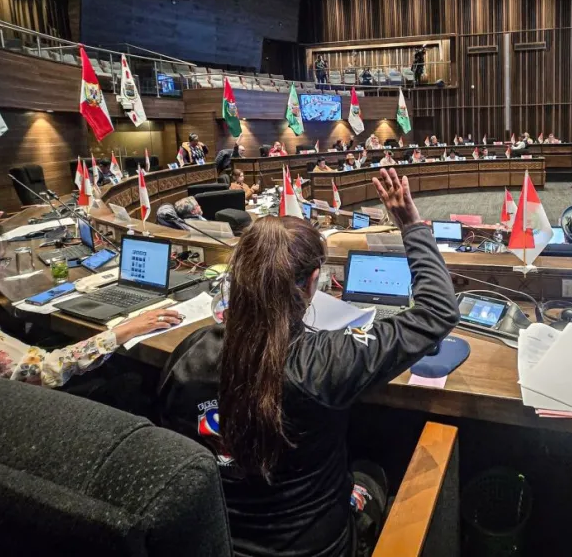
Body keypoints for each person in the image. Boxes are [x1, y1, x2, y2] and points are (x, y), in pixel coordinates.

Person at [158, 168, 460, 557]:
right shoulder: (324, 360)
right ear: (313, 281)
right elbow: (437, 311)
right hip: (318, 549)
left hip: (220, 542)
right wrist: (411, 226)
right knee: (374, 469)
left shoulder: (188, 355)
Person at [0, 192, 181, 386]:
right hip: (44, 406)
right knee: (134, 377)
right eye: (1, 260)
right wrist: (124, 330)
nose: (3, 269)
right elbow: (43, 370)